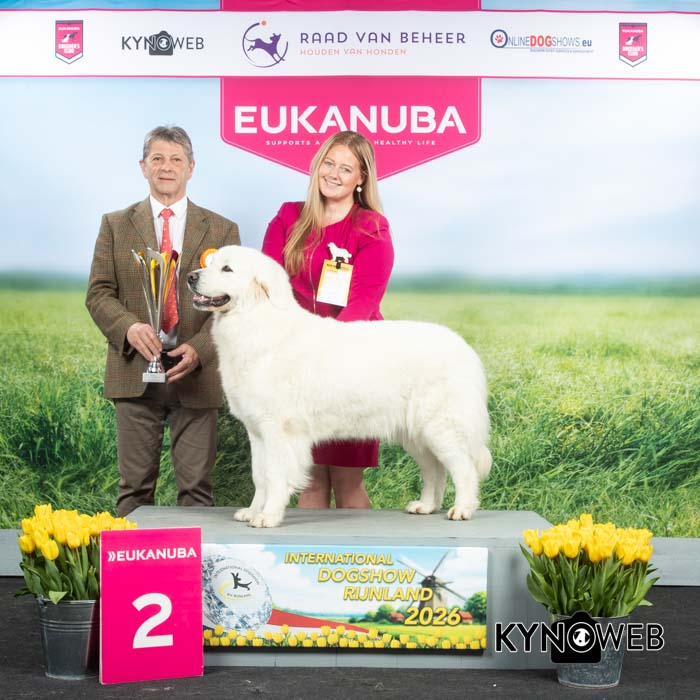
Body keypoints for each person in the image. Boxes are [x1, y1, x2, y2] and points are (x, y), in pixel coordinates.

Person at [86, 125, 240, 517]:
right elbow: (99, 293)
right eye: (157, 159)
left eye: (176, 159)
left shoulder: (222, 229)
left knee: (197, 492)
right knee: (134, 489)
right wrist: (129, 328)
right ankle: (131, 559)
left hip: (196, 374)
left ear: (191, 167)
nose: (166, 167)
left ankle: (195, 561)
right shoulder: (115, 224)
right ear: (143, 166)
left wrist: (200, 349)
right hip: (134, 370)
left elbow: (233, 302)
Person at [261, 130, 394, 509]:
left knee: (348, 480)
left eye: (346, 169)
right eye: (329, 163)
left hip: (350, 360)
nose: (334, 174)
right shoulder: (289, 216)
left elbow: (365, 299)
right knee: (309, 478)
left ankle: (360, 551)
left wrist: (325, 350)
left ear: (361, 178)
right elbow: (269, 283)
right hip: (293, 361)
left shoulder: (372, 226)